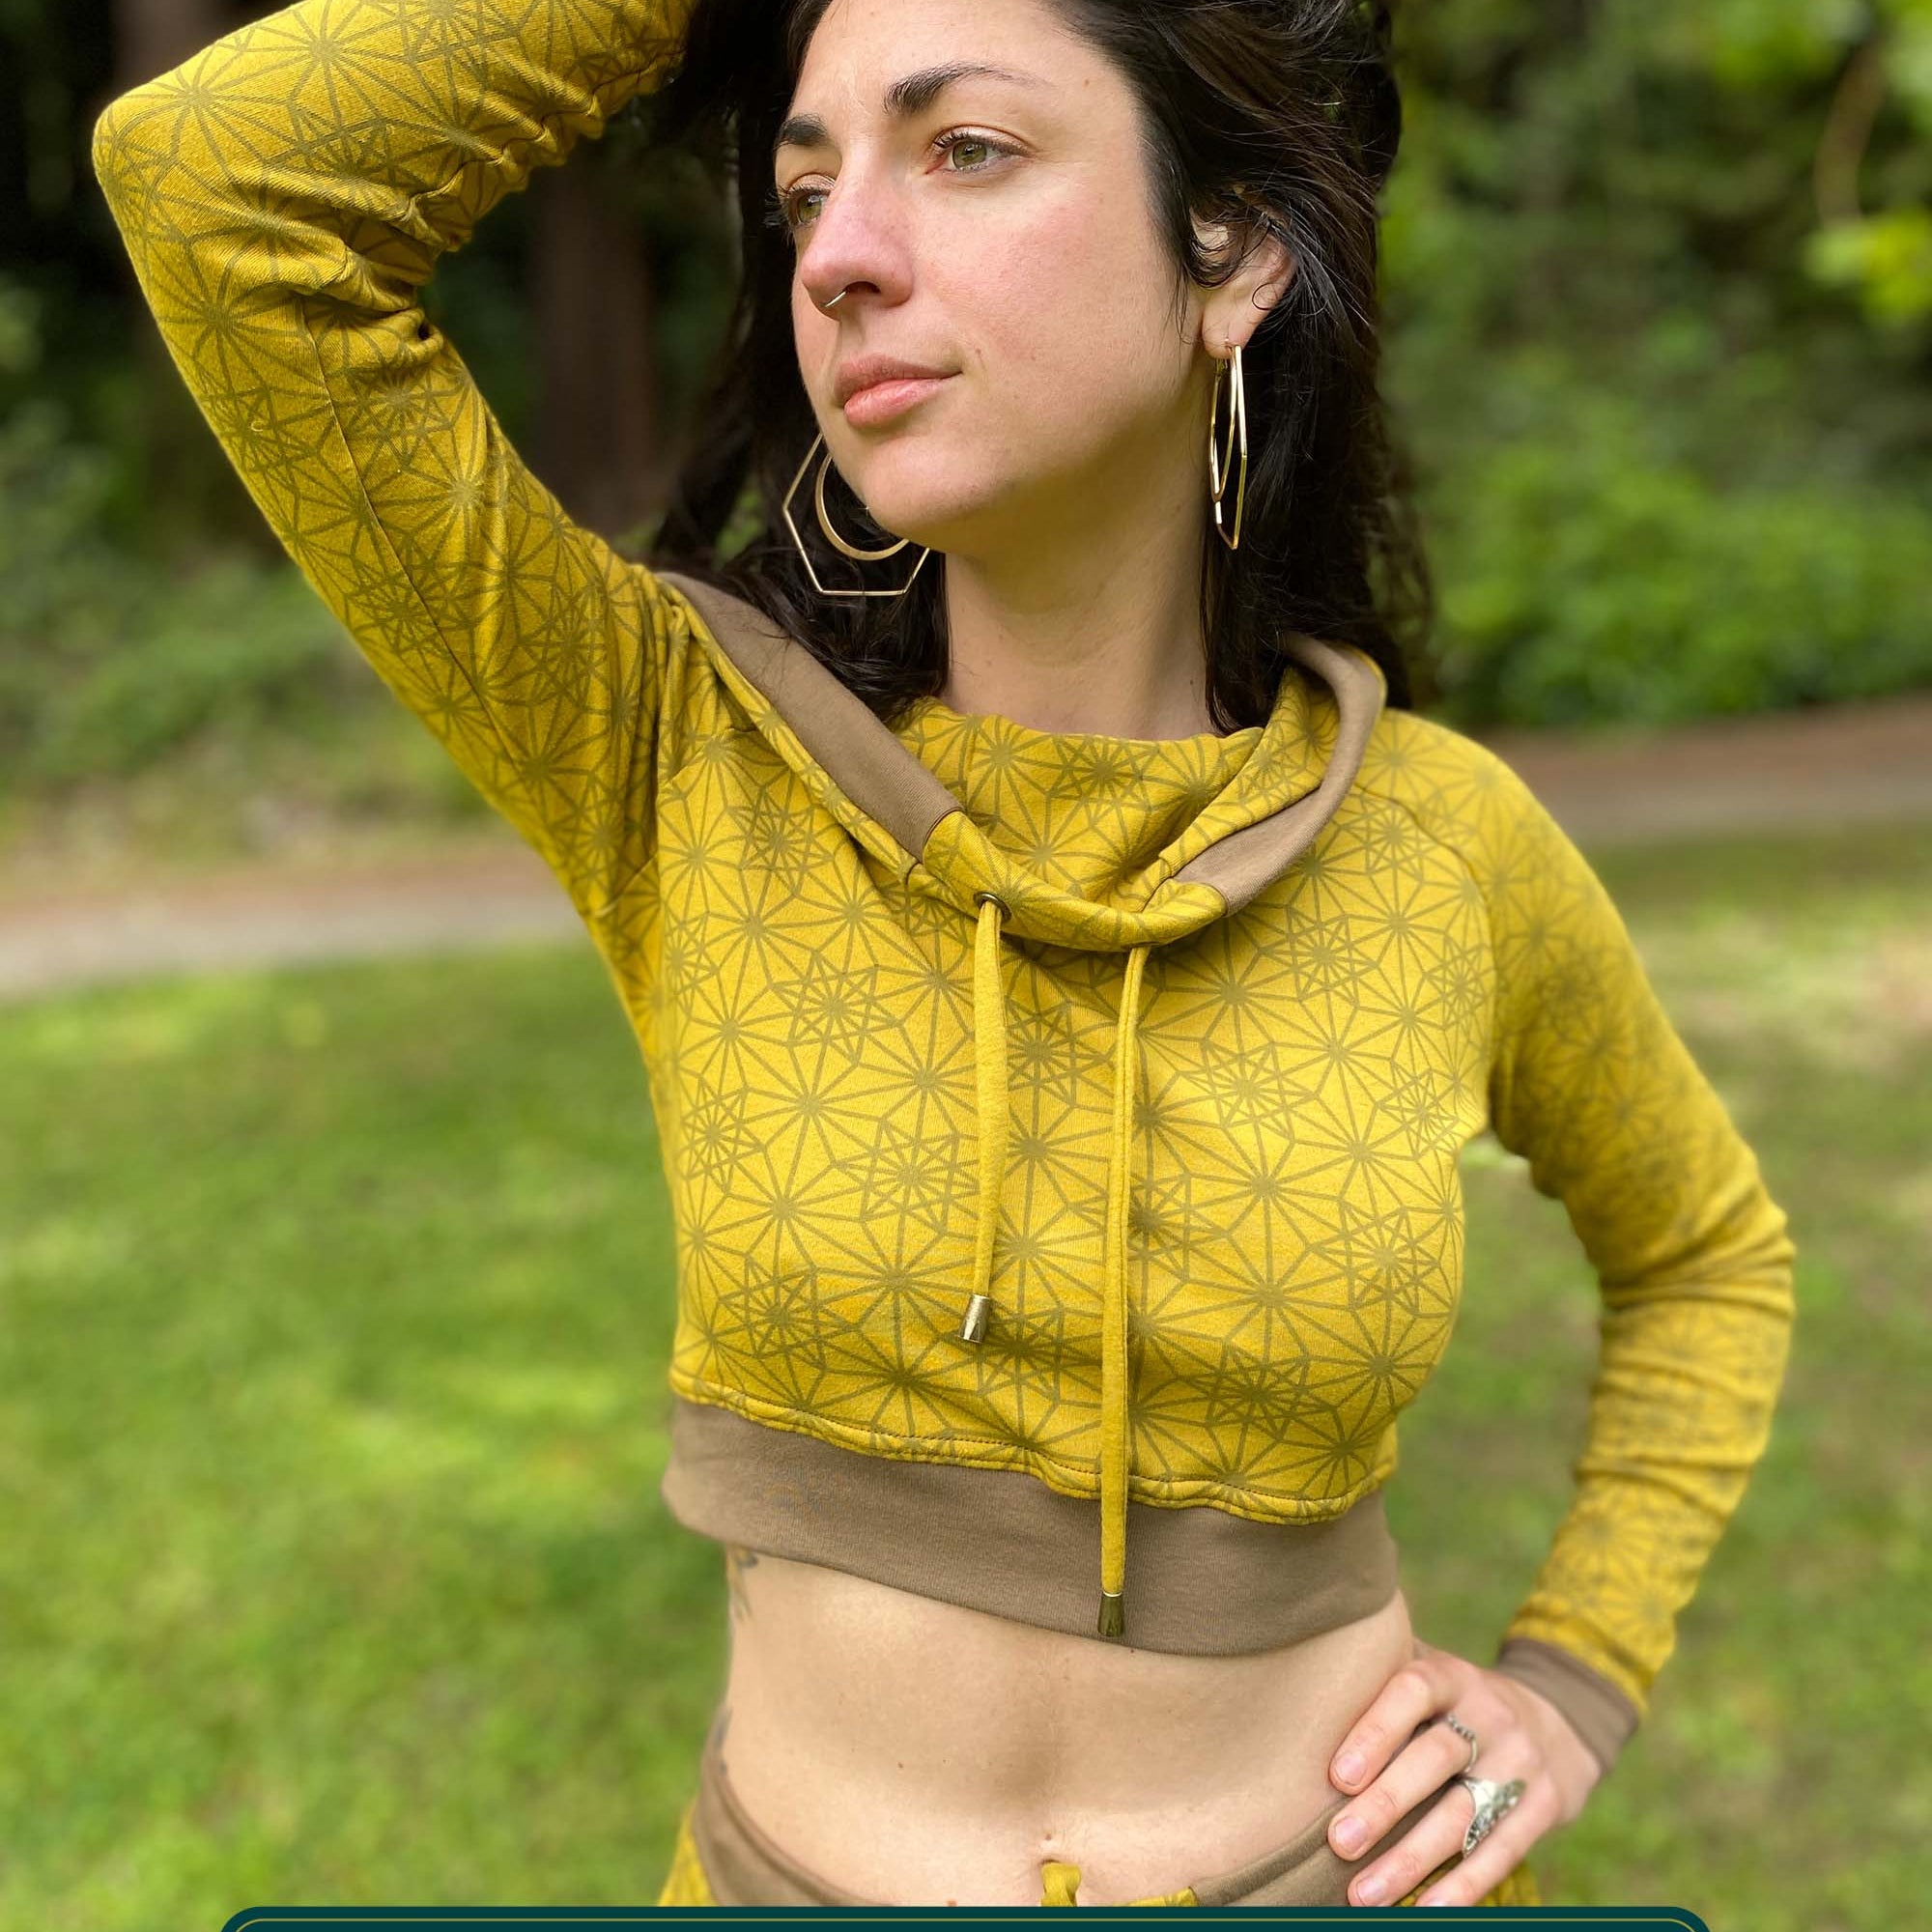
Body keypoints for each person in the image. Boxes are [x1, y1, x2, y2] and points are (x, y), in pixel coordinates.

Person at [90, 0, 1797, 1910]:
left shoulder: (1444, 843)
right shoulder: (669, 750)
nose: (836, 253)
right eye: (804, 187)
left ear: (1229, 250)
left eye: (964, 149)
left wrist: (1574, 1674)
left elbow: (1706, 1252)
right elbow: (219, 187)